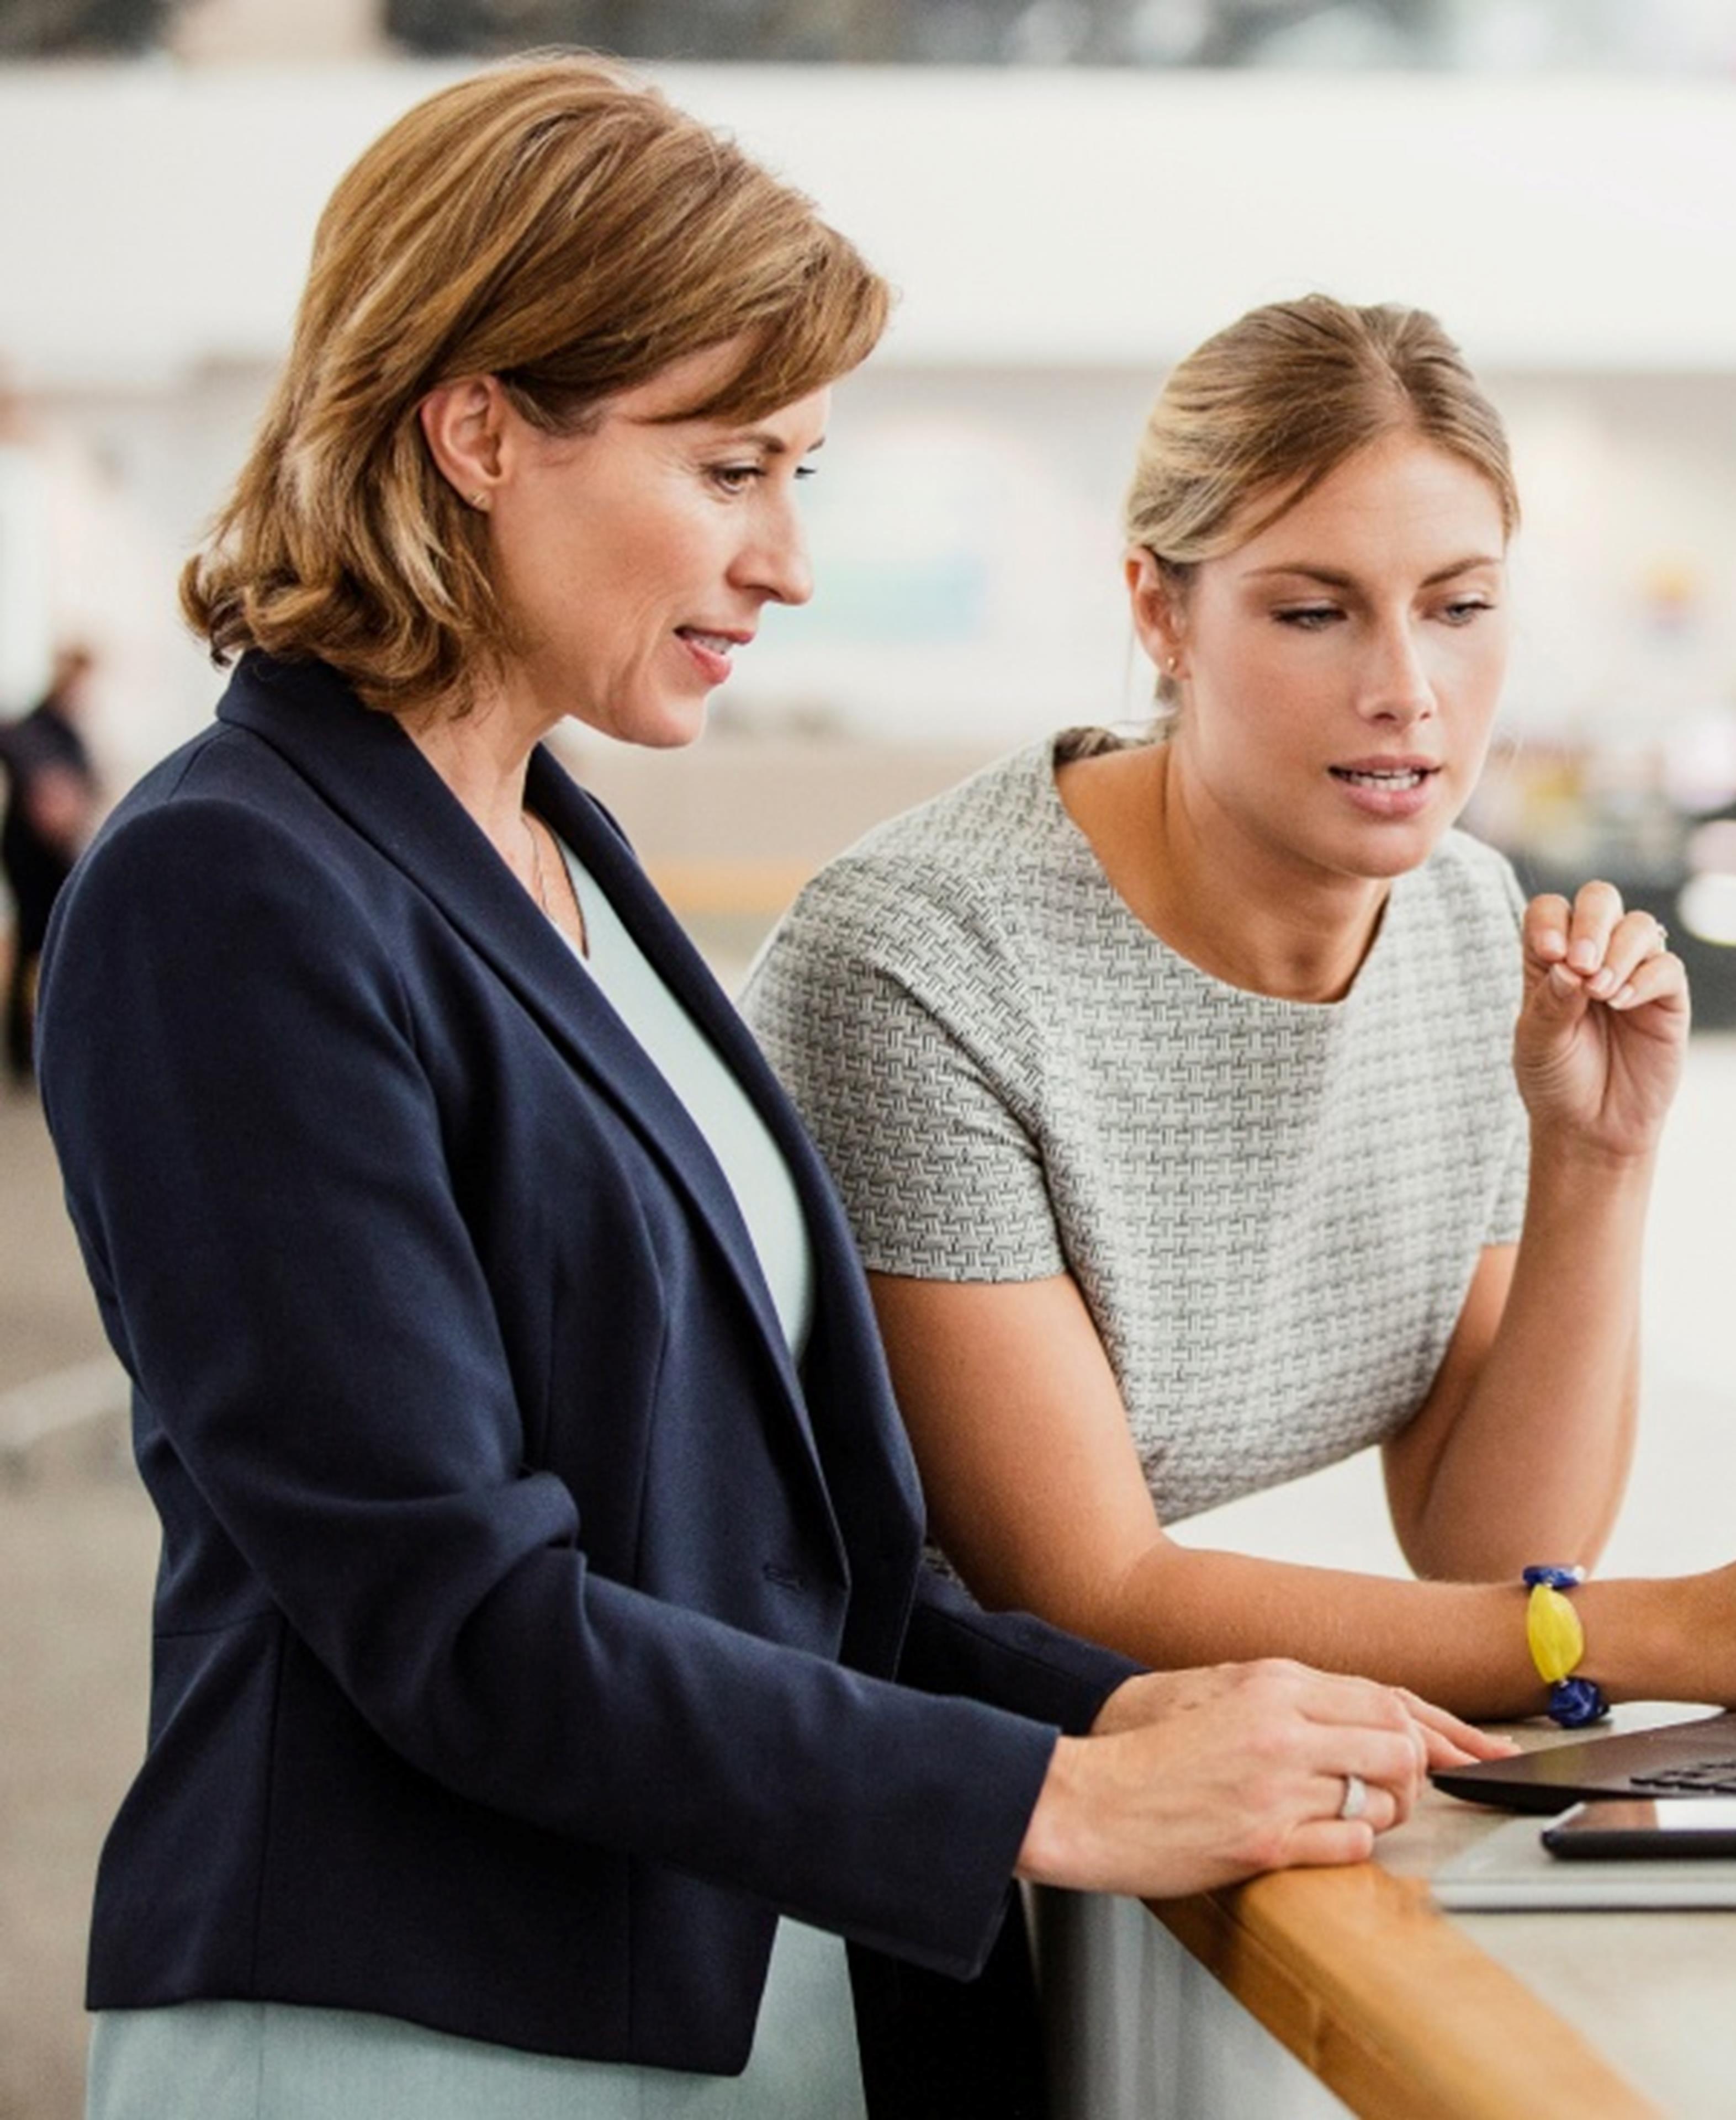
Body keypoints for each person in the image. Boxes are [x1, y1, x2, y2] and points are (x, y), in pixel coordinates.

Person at [36, 70, 1482, 2120]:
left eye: (795, 472)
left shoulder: (555, 849)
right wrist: (1060, 1792)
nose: (786, 558)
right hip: (415, 2037)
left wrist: (1165, 1700)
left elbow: (785, 1574)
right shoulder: (226, 886)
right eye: (731, 469)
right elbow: (453, 1612)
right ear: (475, 431)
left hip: (730, 1996)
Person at [745, 295, 1736, 1723]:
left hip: (1079, 1744)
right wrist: (1671, 1632)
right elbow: (1082, 1588)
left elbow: (1497, 1554)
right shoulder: (925, 959)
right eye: (1314, 613)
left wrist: (1597, 1158)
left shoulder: (1469, 928)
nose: (1405, 692)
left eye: (1460, 608)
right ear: (1158, 610)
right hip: (836, 1760)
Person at [1, 642, 97, 1084]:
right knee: (35, 943)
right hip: (31, 853)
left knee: (48, 943)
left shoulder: (65, 727)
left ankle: (37, 1045)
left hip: (55, 850)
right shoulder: (34, 725)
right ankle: (24, 1050)